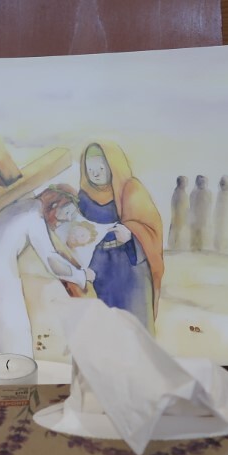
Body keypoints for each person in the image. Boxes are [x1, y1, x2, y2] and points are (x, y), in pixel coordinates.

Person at [0, 185, 95, 355]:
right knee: (12, 335)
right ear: (56, 203)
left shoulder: (20, 207)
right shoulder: (33, 216)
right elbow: (52, 261)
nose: (67, 219)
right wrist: (81, 275)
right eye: (67, 212)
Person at [78, 141, 164, 335]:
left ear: (113, 166)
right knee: (104, 328)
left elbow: (151, 228)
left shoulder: (131, 189)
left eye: (101, 168)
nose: (95, 173)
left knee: (134, 326)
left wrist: (131, 233)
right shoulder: (83, 197)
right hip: (98, 269)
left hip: (129, 268)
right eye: (90, 169)